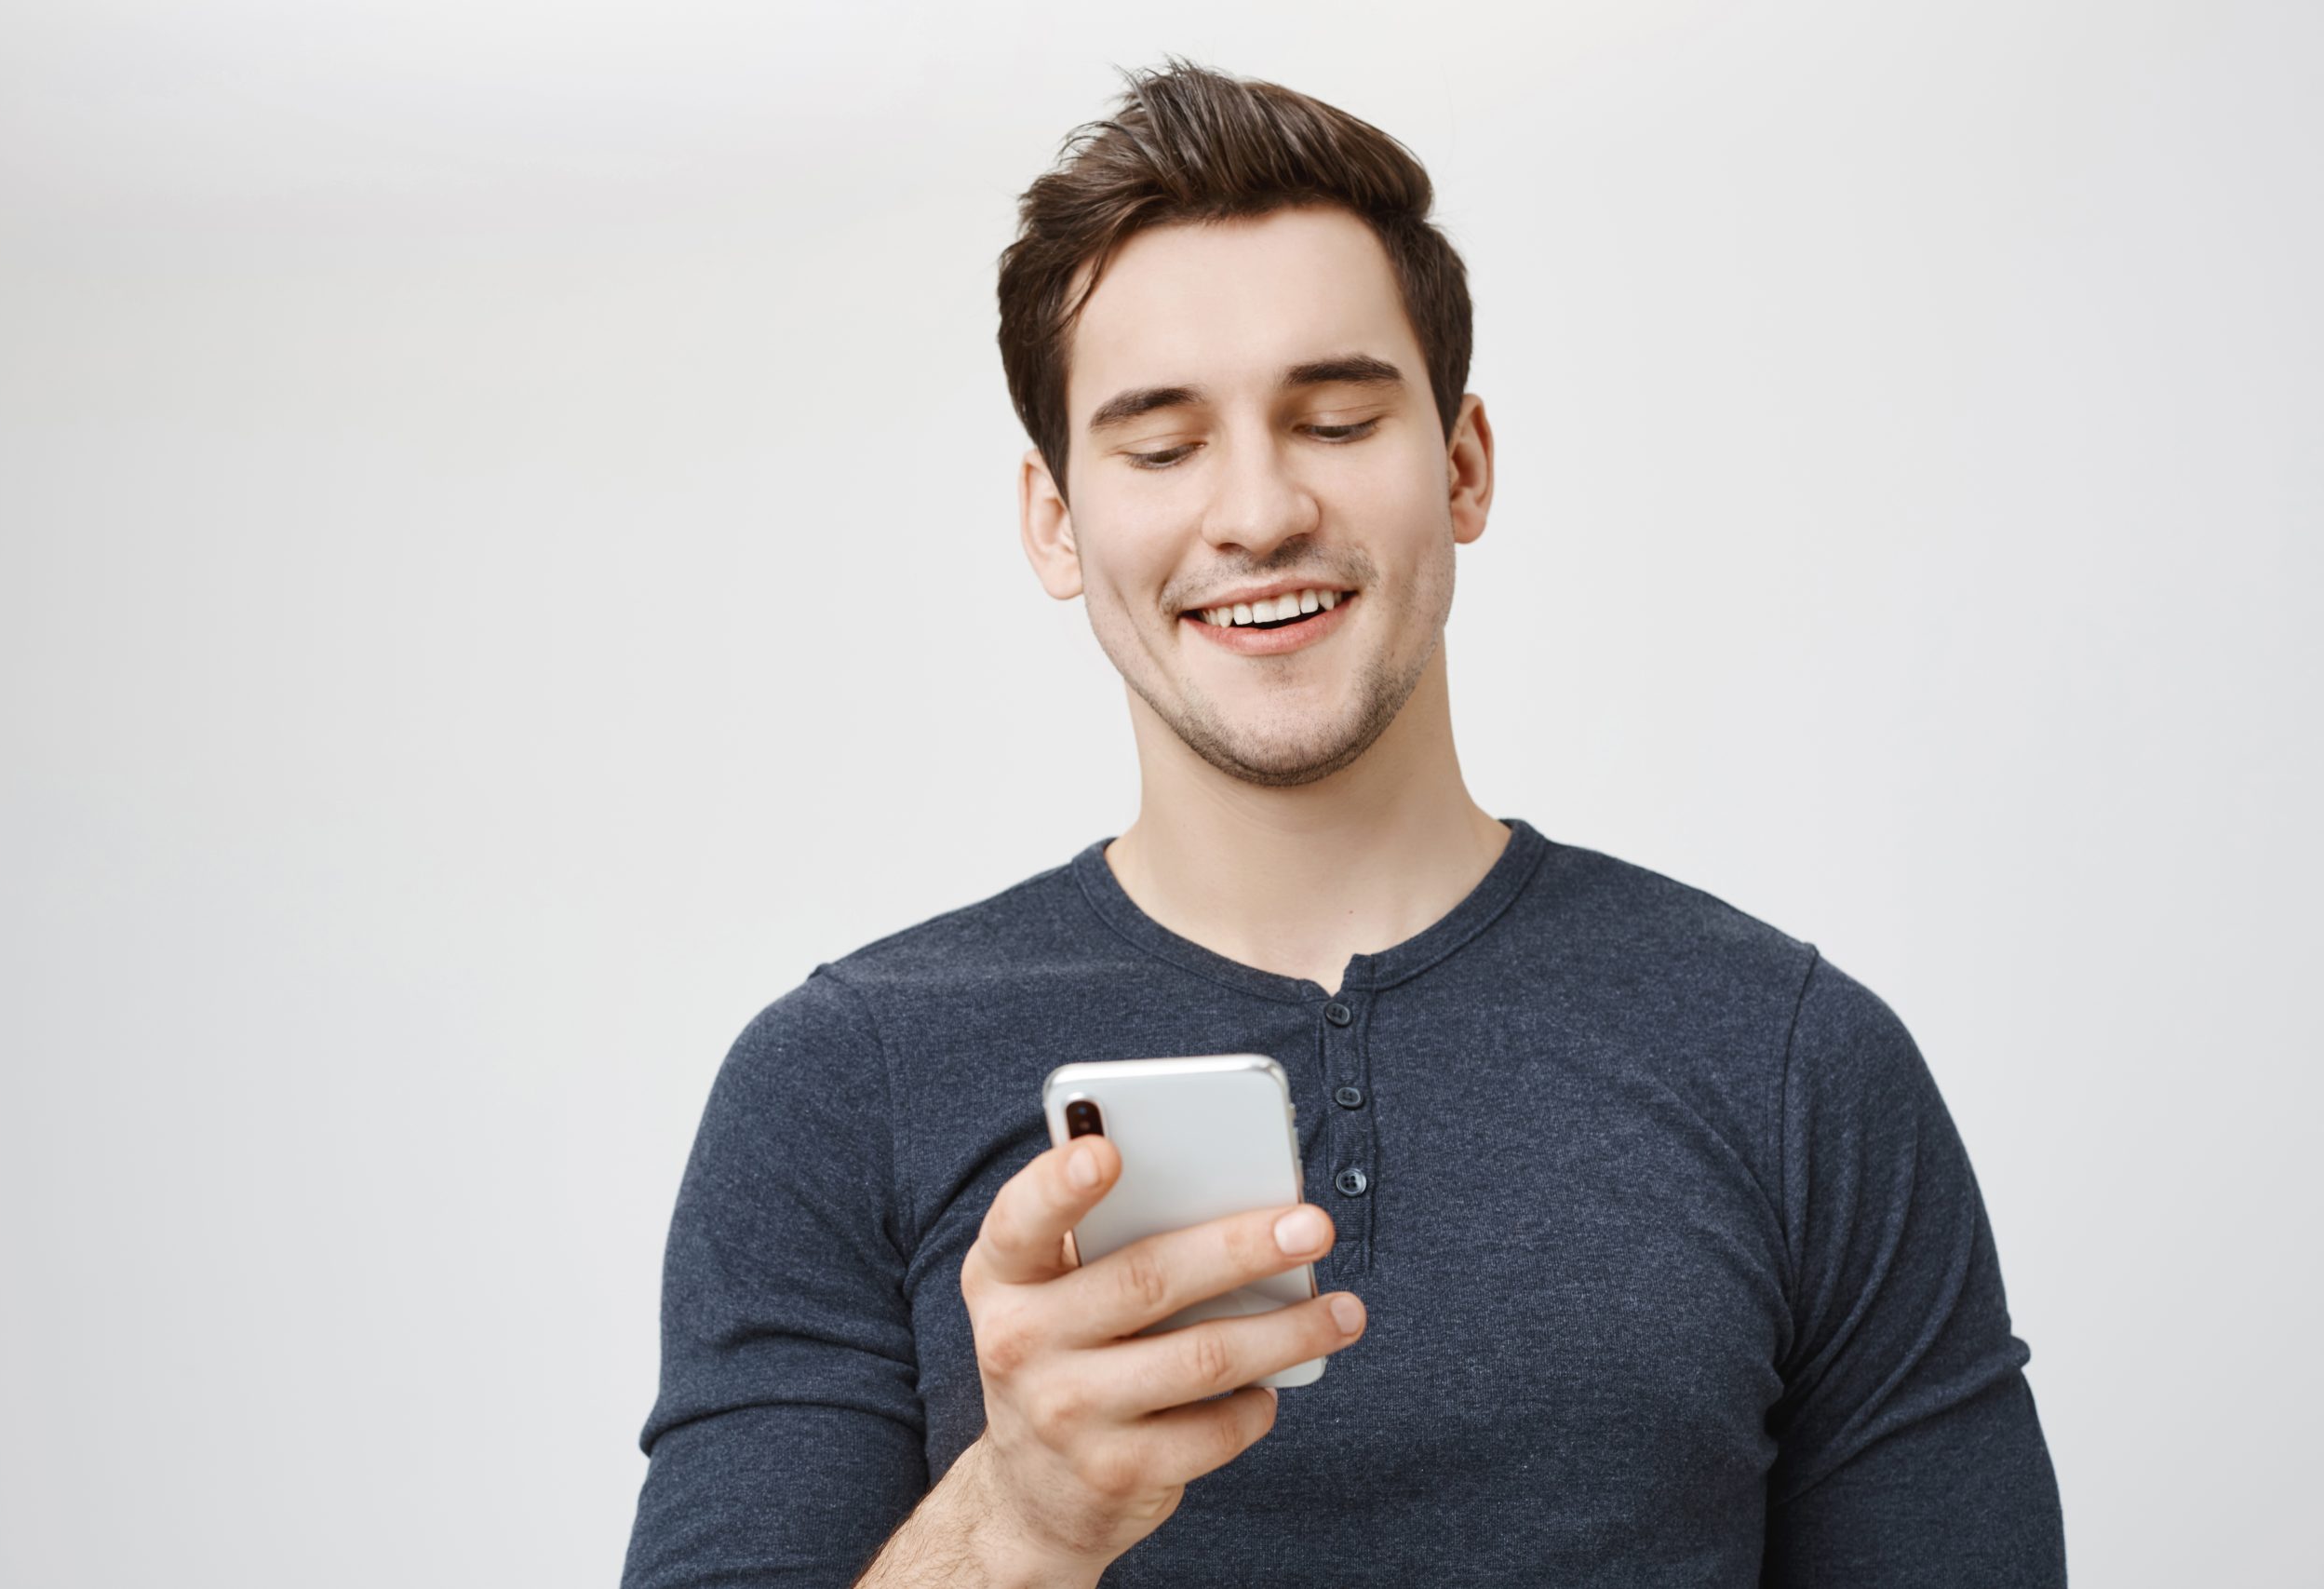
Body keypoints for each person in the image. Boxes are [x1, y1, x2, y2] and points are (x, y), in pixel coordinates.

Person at [620, 57, 2066, 1589]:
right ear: (1057, 519)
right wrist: (1020, 1522)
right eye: (1163, 446)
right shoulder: (840, 1083)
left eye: (1333, 419)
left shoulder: (1794, 1062)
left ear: (1461, 465)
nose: (1255, 511)